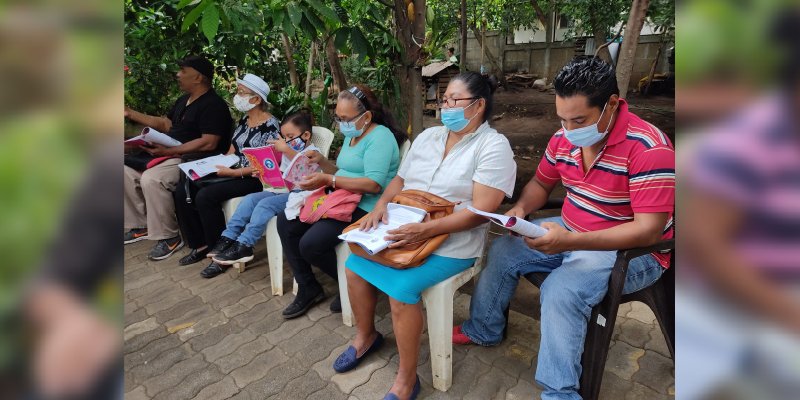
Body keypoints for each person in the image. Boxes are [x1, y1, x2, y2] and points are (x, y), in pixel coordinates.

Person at [453, 57, 675, 400]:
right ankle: (484, 329)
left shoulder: (649, 148)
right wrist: (521, 210)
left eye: (579, 120)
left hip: (631, 250)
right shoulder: (564, 139)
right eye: (562, 119)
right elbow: (542, 184)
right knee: (504, 250)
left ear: (612, 105)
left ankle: (561, 393)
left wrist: (571, 241)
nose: (569, 130)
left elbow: (648, 231)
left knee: (560, 291)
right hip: (572, 229)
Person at [336, 72, 516, 400]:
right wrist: (381, 207)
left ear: (478, 106)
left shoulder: (493, 147)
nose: (444, 106)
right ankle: (366, 336)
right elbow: (400, 181)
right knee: (354, 264)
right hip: (405, 226)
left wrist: (426, 229)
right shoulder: (429, 137)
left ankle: (407, 378)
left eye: (453, 100)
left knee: (402, 289)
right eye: (443, 99)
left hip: (454, 242)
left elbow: (481, 211)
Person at [276, 85, 406, 319]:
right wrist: (323, 162)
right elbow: (344, 171)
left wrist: (329, 179)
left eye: (344, 118)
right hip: (340, 198)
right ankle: (309, 287)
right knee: (285, 222)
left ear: (366, 116)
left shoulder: (380, 137)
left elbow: (373, 184)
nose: (340, 122)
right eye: (338, 117)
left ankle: (357, 282)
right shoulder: (353, 135)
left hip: (367, 205)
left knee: (310, 244)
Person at [123, 55, 233, 261]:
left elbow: (209, 142)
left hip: (191, 158)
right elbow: (166, 125)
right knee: (124, 172)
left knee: (153, 179)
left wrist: (169, 152)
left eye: (183, 71)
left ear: (198, 77)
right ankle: (140, 226)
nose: (178, 74)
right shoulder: (184, 100)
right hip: (169, 153)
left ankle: (169, 237)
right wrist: (130, 113)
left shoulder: (213, 105)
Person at [172, 73, 280, 272]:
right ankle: (201, 243)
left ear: (256, 99)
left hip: (253, 178)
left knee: (206, 196)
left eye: (241, 92)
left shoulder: (270, 126)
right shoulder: (244, 121)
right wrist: (214, 164)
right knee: (184, 188)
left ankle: (219, 253)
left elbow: (266, 165)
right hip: (232, 169)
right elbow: (232, 149)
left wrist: (232, 174)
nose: (237, 96)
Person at [201, 110, 321, 278]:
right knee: (250, 200)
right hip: (283, 191)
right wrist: (265, 174)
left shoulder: (312, 152)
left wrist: (286, 149)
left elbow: (302, 164)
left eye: (290, 136)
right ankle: (227, 238)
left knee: (265, 205)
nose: (286, 141)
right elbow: (281, 175)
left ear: (306, 135)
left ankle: (245, 245)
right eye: (284, 137)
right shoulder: (288, 150)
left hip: (302, 195)